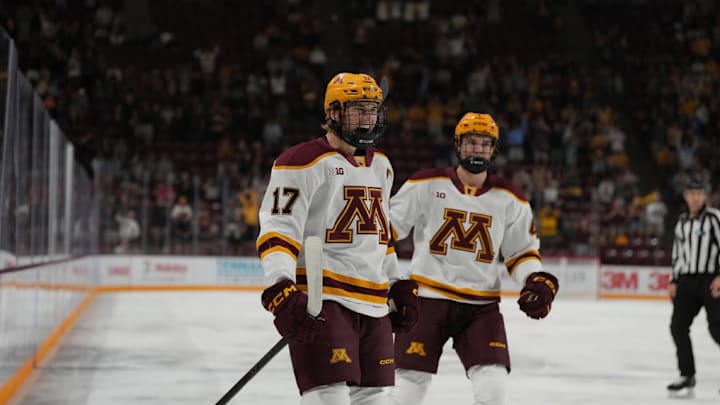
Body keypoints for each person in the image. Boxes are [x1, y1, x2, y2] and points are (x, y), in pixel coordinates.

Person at [256, 72, 419, 405]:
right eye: (357, 110)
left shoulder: (383, 167)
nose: (367, 119)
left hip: (374, 304)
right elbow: (278, 230)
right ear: (332, 113)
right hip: (323, 298)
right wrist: (280, 285)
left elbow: (380, 235)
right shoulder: (300, 162)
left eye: (371, 110)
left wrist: (394, 282)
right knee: (327, 397)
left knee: (374, 398)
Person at [387, 112, 558, 405]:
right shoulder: (425, 183)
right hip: (426, 299)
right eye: (470, 142)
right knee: (407, 389)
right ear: (458, 145)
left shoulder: (511, 198)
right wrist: (386, 279)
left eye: (484, 143)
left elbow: (521, 253)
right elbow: (384, 233)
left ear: (493, 149)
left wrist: (534, 278)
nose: (477, 149)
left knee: (493, 388)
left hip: (480, 307)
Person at [667, 176, 720, 396]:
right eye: (692, 194)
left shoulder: (715, 219)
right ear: (686, 196)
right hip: (687, 282)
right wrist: (674, 280)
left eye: (699, 194)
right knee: (678, 327)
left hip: (711, 280)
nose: (696, 198)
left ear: (704, 196)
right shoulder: (681, 222)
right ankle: (687, 374)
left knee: (717, 329)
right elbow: (677, 254)